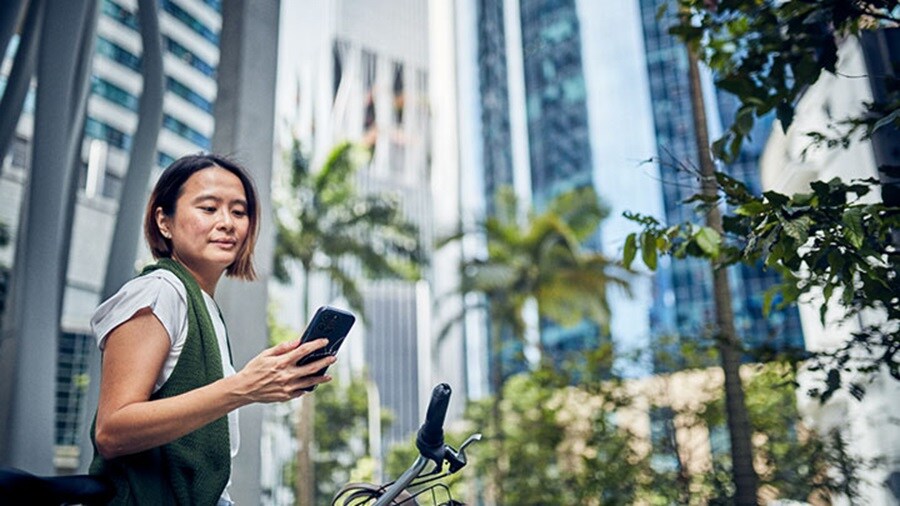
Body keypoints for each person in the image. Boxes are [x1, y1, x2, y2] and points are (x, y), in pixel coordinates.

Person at [89, 154, 333, 505]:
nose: (227, 223)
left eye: (239, 211)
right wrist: (244, 387)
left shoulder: (202, 304)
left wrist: (254, 385)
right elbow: (112, 432)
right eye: (208, 208)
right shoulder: (159, 291)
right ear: (164, 222)